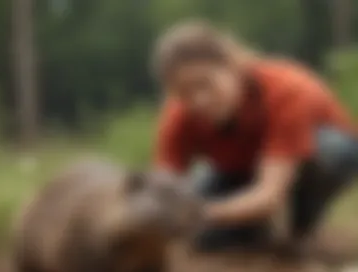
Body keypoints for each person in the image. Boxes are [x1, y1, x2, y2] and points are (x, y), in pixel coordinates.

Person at [151, 21, 358, 254]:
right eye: (184, 92)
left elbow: (269, 194)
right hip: (240, 168)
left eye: (205, 84)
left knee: (332, 151)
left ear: (233, 66)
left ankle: (301, 227)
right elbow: (165, 187)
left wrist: (200, 213)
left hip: (314, 157)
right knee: (203, 238)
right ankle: (253, 231)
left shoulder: (286, 90)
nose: (199, 100)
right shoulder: (178, 114)